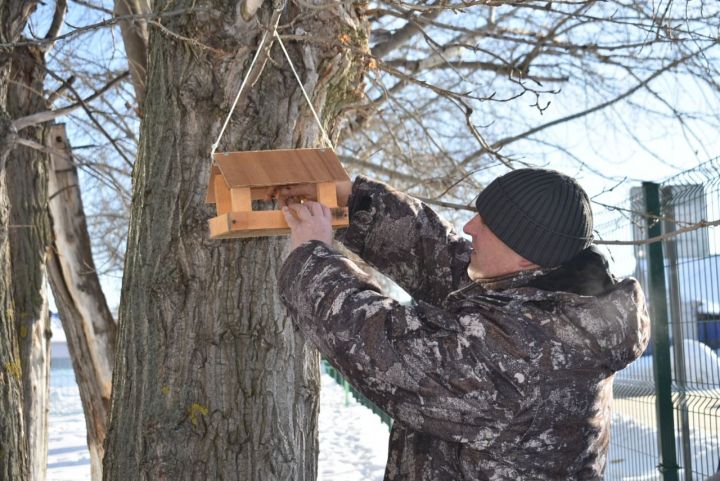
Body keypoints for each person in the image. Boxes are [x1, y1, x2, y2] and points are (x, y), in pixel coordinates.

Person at [275, 169, 650, 481]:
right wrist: (356, 203)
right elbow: (440, 253)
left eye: (487, 224)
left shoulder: (525, 357)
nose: (470, 226)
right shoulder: (539, 293)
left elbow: (387, 350)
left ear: (526, 256)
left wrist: (313, 256)